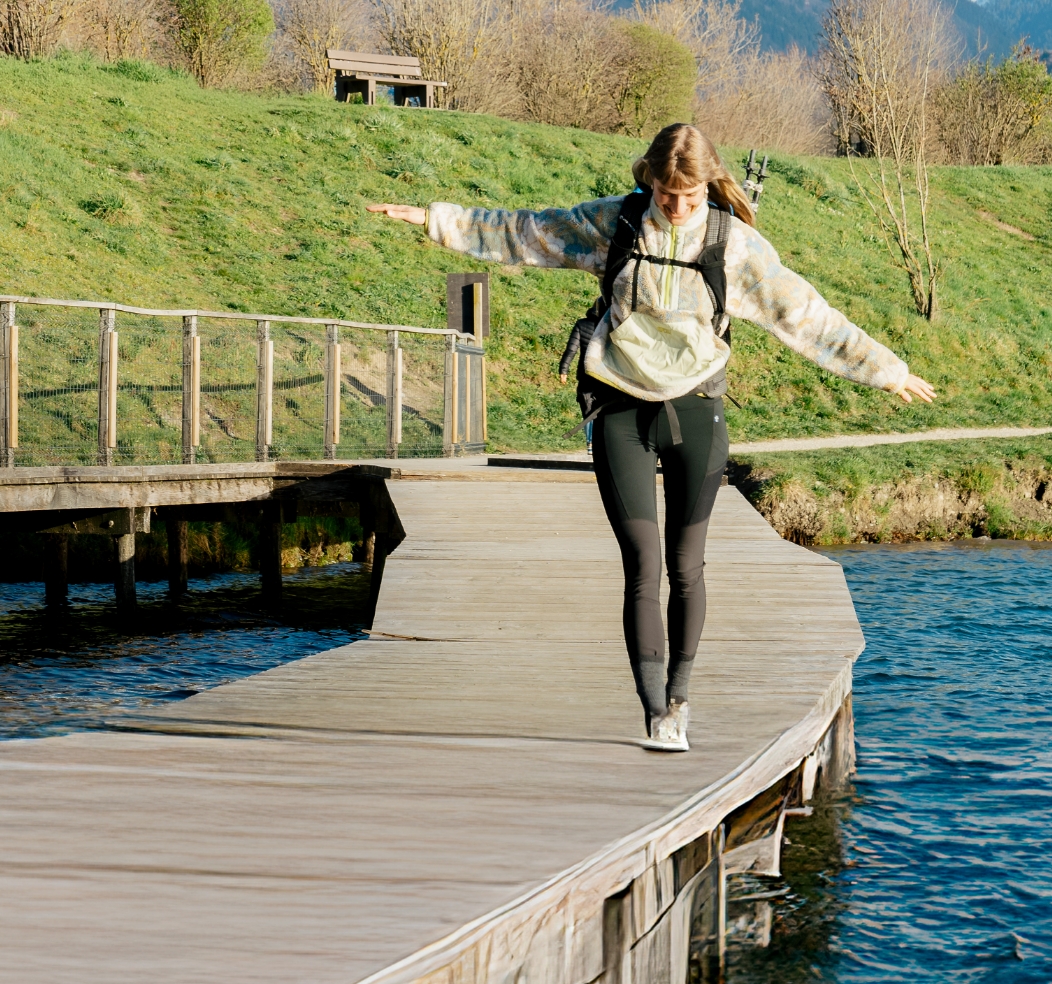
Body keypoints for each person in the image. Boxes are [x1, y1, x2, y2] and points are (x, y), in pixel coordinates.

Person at [370, 123, 938, 753]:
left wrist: (887, 371)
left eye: (690, 197)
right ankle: (656, 715)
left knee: (685, 565)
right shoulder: (616, 224)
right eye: (668, 195)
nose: (677, 208)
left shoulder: (733, 245)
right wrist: (434, 218)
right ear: (650, 180)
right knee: (642, 564)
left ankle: (682, 696)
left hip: (696, 404)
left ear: (708, 186)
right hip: (620, 400)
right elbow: (525, 231)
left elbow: (803, 313)